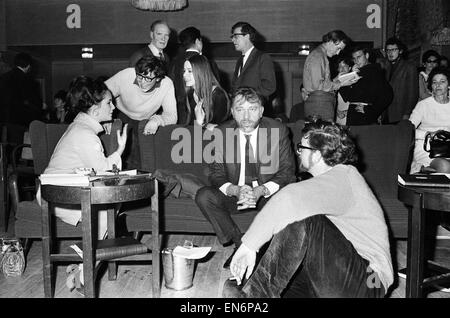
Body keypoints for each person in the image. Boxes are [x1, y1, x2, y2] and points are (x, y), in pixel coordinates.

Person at [224, 120, 393, 298]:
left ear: (317, 155)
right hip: (335, 274)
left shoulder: (345, 176)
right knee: (236, 286)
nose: (298, 153)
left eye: (301, 148)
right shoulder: (329, 181)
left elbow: (289, 199)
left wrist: (248, 246)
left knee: (303, 219)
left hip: (370, 282)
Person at [195, 87, 296, 269]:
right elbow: (215, 172)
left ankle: (263, 246)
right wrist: (236, 190)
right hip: (236, 194)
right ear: (232, 112)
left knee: (284, 198)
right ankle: (240, 243)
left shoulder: (278, 130)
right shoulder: (222, 132)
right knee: (204, 196)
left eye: (253, 109)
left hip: (266, 194)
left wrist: (260, 190)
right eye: (240, 110)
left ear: (262, 111)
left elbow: (287, 171)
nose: (246, 117)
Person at [40, 76, 128, 238]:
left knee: (110, 204)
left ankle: (91, 255)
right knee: (106, 208)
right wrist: (120, 149)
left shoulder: (80, 126)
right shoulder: (85, 134)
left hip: (57, 191)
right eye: (109, 103)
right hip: (57, 195)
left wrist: (102, 122)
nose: (114, 107)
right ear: (94, 110)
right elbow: (104, 172)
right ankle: (87, 260)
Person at [105, 56, 177, 168]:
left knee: (141, 162)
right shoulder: (127, 75)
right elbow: (101, 95)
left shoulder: (166, 84)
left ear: (158, 78)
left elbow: (172, 115)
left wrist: (157, 120)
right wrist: (105, 117)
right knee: (117, 157)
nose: (142, 82)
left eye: (148, 79)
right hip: (120, 114)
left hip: (144, 120)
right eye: (139, 76)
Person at [302, 30, 359, 121]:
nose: (338, 53)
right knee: (324, 134)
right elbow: (318, 86)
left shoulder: (320, 56)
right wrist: (341, 84)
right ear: (331, 42)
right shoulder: (318, 56)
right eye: (338, 48)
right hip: (320, 104)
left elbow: (320, 83)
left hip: (320, 103)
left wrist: (337, 79)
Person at [168, 26, 221, 124]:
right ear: (198, 41)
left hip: (178, 115)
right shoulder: (207, 62)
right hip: (203, 114)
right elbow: (216, 91)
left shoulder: (174, 62)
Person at [409, 67, 450, 173]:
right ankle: (423, 169)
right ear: (431, 85)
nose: (438, 85)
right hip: (426, 148)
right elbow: (408, 129)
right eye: (434, 82)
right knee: (445, 166)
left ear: (448, 85)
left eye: (442, 82)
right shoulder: (423, 105)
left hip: (448, 147)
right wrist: (428, 133)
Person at [339, 46, 393, 125]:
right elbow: (347, 96)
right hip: (353, 114)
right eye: (354, 58)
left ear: (367, 56)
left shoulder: (375, 71)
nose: (356, 61)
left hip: (365, 115)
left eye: (359, 57)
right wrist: (350, 75)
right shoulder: (357, 71)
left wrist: (370, 110)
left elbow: (387, 96)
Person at [230, 22, 276, 109]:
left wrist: (246, 98)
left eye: (236, 36)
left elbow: (269, 86)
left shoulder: (263, 57)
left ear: (247, 36)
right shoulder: (240, 60)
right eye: (232, 37)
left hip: (255, 109)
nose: (233, 40)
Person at [182, 54, 230, 130]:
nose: (184, 74)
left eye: (190, 71)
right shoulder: (190, 94)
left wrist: (201, 124)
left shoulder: (218, 96)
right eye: (184, 71)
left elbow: (222, 130)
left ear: (201, 72)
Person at [0, 52, 43, 126]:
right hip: (21, 120)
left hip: (3, 118)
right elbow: (33, 101)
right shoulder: (29, 81)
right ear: (28, 66)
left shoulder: (3, 77)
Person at [382, 37, 418, 124]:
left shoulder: (409, 67)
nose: (390, 53)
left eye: (393, 50)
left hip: (400, 112)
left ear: (400, 51)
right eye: (388, 50)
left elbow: (412, 93)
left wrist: (407, 113)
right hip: (385, 113)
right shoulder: (385, 66)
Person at [335, 55, 354, 125]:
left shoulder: (355, 82)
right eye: (340, 66)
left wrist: (349, 111)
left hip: (352, 118)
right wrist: (337, 111)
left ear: (349, 68)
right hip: (338, 119)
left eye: (345, 66)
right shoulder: (334, 84)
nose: (342, 69)